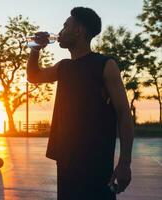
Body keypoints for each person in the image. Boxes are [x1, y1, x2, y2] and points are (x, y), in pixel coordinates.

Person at [27, 7, 134, 200]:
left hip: (96, 164)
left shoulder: (105, 64)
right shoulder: (64, 67)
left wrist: (125, 162)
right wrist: (35, 48)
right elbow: (33, 76)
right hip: (66, 161)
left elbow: (124, 114)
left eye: (65, 26)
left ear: (79, 31)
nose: (60, 32)